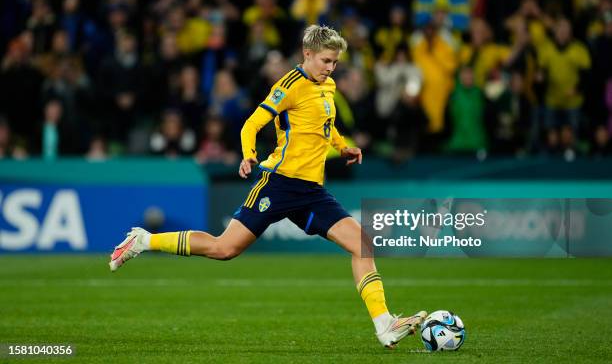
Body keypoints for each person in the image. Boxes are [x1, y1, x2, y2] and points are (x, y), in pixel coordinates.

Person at [108, 25, 426, 348]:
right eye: (326, 61)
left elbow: (325, 126)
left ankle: (384, 324)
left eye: (335, 63)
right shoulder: (289, 85)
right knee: (224, 249)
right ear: (308, 54)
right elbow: (251, 124)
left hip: (312, 191)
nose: (331, 68)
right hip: (278, 183)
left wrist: (342, 146)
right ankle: (144, 240)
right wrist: (248, 156)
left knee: (362, 244)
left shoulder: (327, 85)